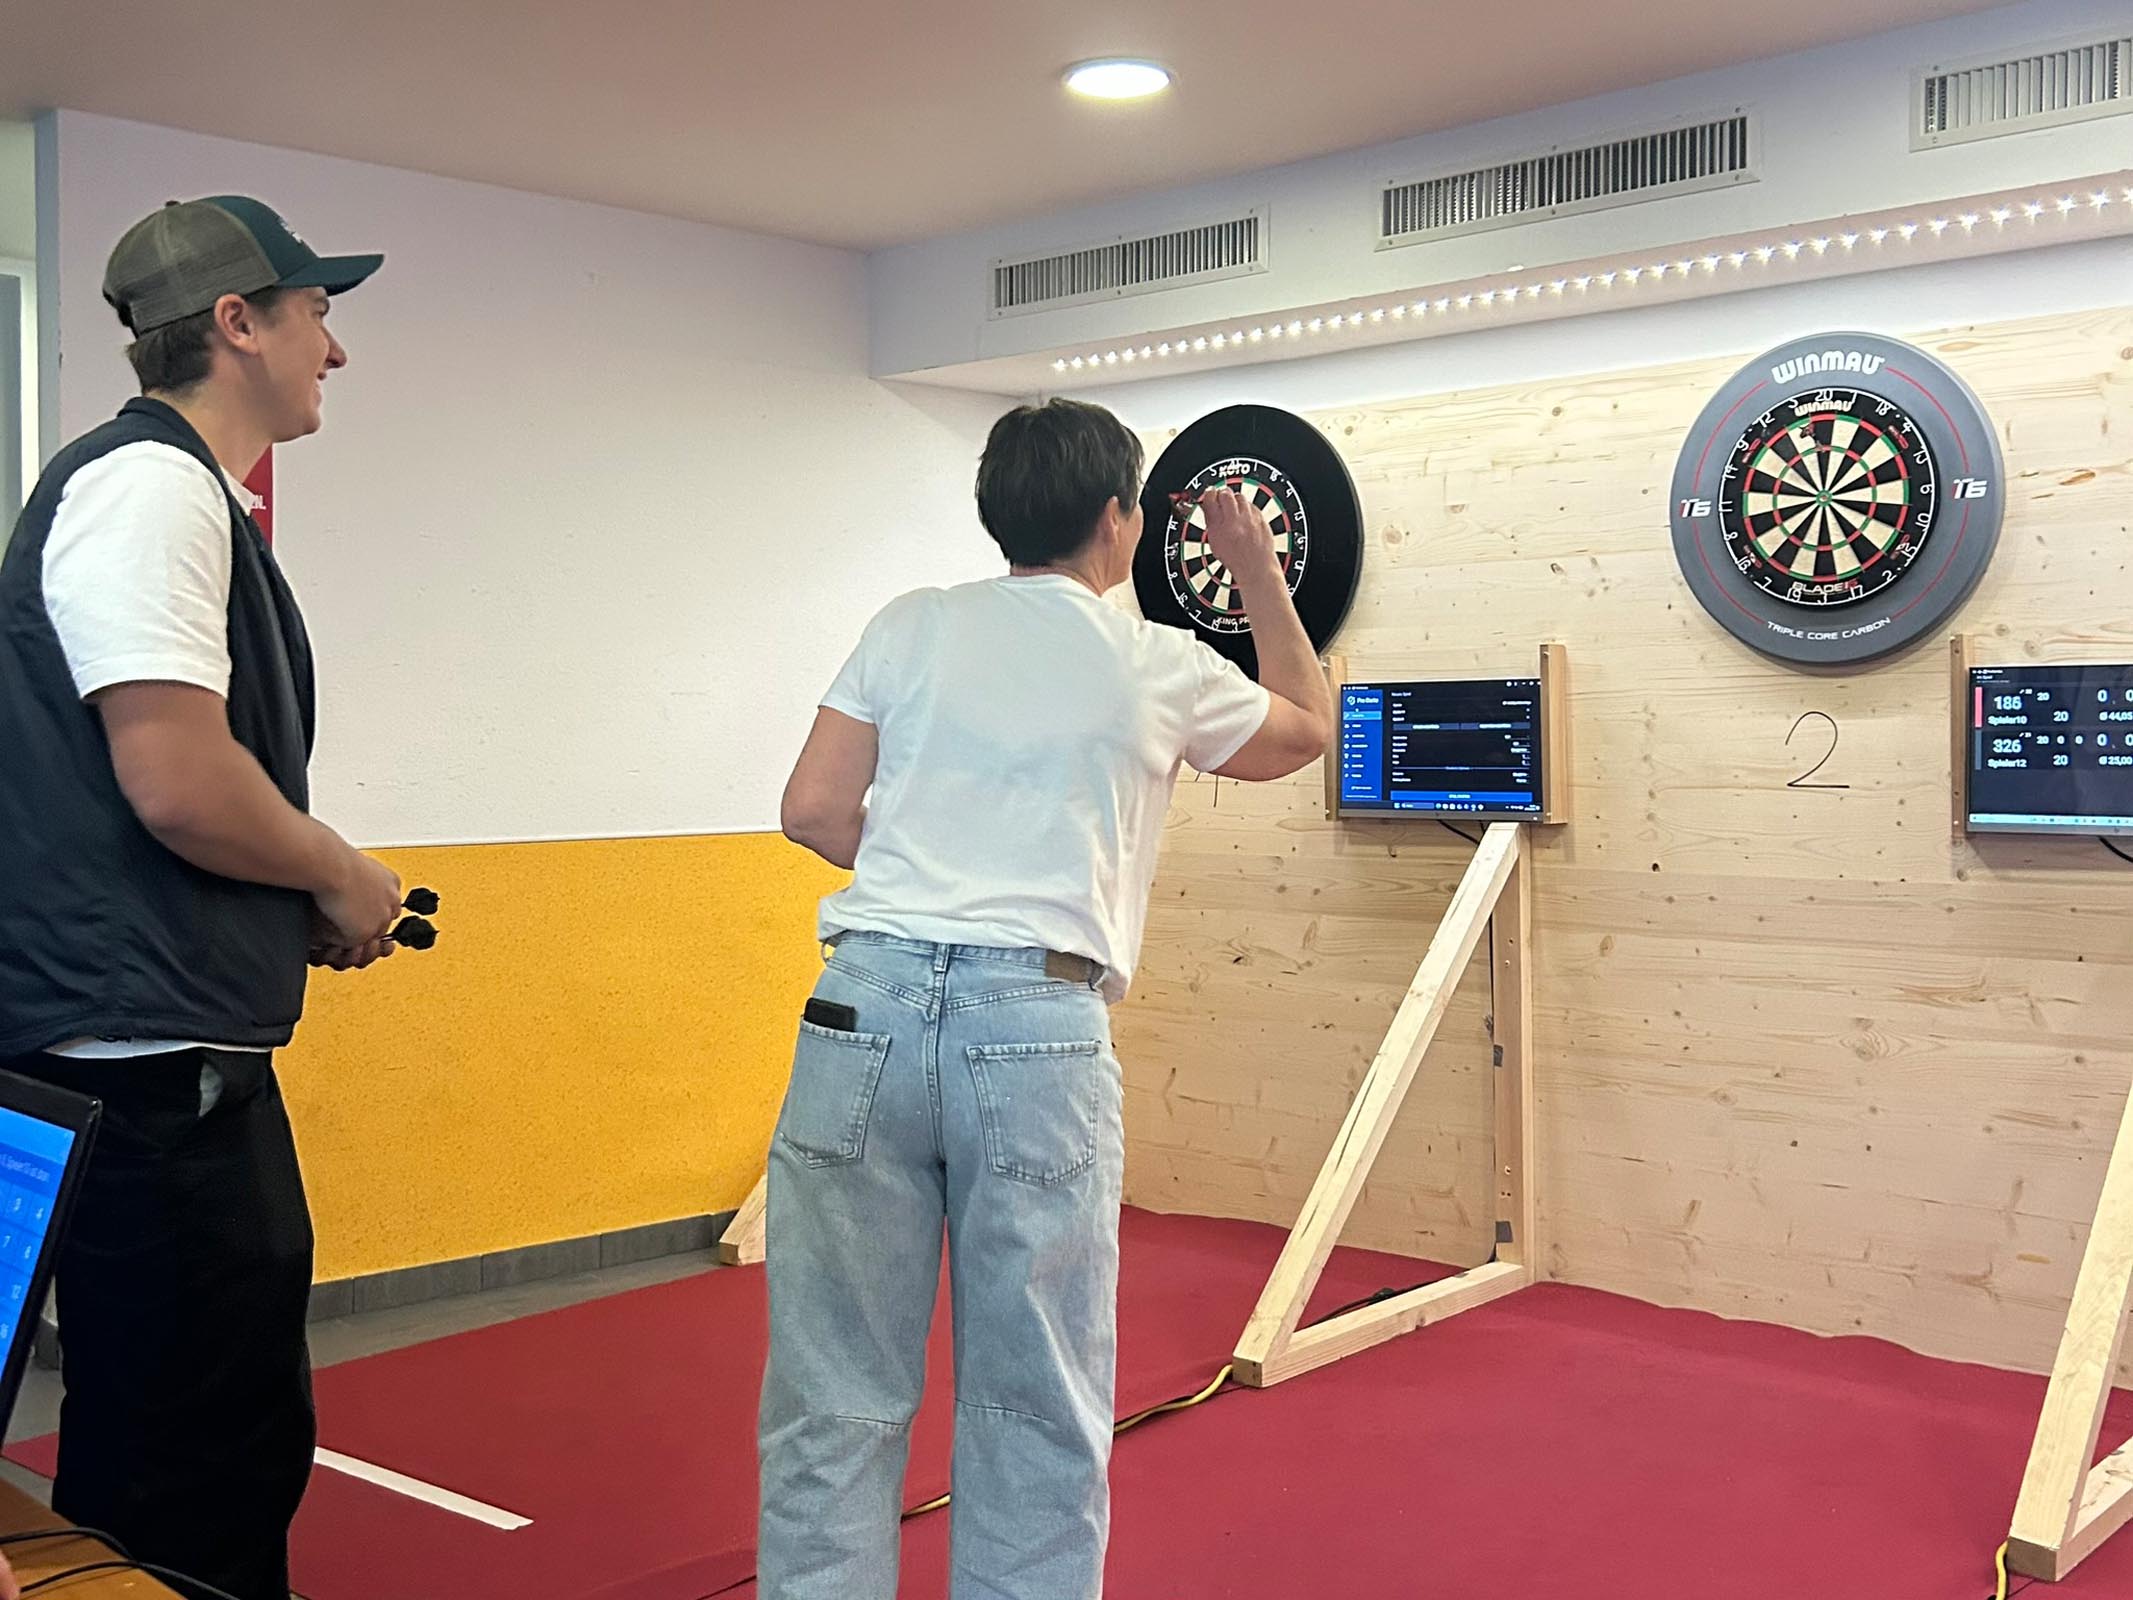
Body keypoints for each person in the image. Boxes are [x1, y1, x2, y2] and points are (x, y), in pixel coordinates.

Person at [761, 397, 1334, 1598]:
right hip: (1032, 1031)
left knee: (832, 1394)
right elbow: (1306, 730)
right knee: (1036, 1399)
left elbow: (811, 810)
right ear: (1117, 521)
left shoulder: (909, 624)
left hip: (862, 1007)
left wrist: (933, 869)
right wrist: (1256, 572)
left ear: (998, 511)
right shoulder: (1155, 661)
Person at [0, 196, 403, 1600]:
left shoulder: (167, 494)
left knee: (171, 1447)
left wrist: (283, 904)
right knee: (197, 1475)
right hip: (151, 1078)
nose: (333, 350)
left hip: (149, 1049)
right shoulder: (152, 488)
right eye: (317, 314)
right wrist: (338, 870)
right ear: (238, 321)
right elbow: (176, 778)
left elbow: (148, 803)